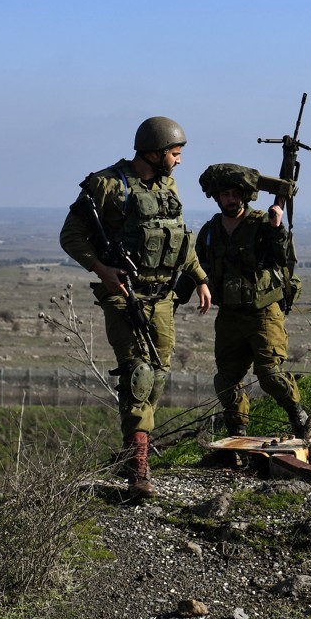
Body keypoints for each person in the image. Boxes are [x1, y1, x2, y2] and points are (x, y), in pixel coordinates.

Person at [59, 116, 212, 497]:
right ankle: (139, 468)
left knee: (158, 376)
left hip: (163, 297)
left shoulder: (167, 186)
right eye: (175, 154)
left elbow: (179, 237)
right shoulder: (107, 184)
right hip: (124, 293)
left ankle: (133, 447)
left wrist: (201, 277)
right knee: (138, 374)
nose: (179, 161)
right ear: (155, 152)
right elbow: (71, 234)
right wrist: (101, 269)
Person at [195, 163, 310, 438]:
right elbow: (196, 266)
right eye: (224, 195)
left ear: (244, 195)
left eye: (235, 194)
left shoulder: (261, 224)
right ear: (216, 197)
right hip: (230, 315)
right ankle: (238, 434)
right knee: (226, 380)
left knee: (270, 375)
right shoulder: (210, 231)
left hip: (263, 313)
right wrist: (176, 296)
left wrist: (276, 226)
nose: (230, 199)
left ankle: (300, 418)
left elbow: (283, 258)